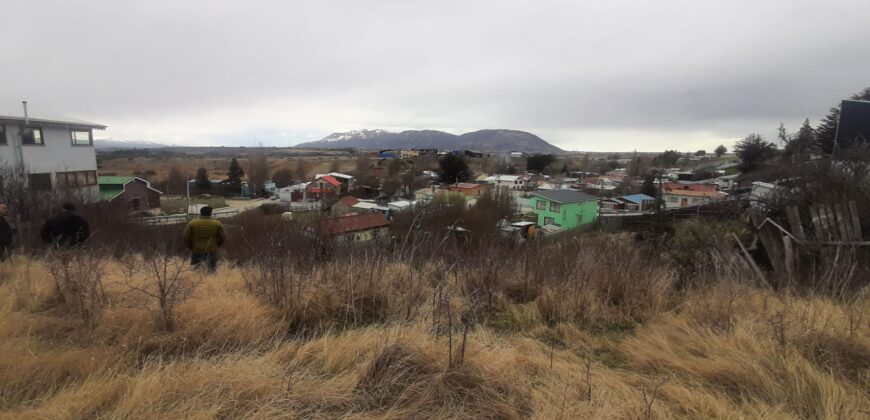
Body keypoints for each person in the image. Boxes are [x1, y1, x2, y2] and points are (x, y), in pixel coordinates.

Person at [182, 206, 226, 273]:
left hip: (197, 248)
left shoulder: (192, 223)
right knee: (211, 268)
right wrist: (218, 244)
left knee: (195, 268)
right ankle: (210, 281)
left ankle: (195, 281)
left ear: (201, 213)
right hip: (211, 249)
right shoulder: (217, 223)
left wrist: (191, 246)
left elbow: (185, 236)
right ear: (210, 213)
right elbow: (223, 237)